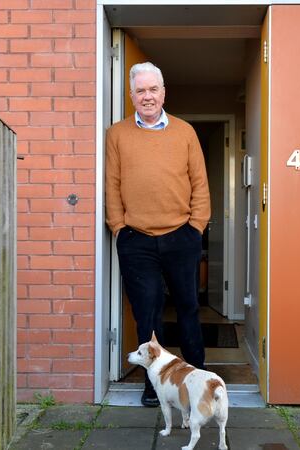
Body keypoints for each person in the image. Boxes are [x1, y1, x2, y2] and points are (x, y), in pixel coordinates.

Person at [105, 61, 211, 407]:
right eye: (140, 91)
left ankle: (197, 383)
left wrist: (196, 226)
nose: (147, 96)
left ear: (163, 93)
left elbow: (199, 183)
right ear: (132, 96)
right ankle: (154, 387)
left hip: (182, 235)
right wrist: (119, 228)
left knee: (188, 310)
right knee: (147, 315)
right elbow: (113, 185)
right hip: (136, 239)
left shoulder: (185, 132)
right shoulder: (117, 134)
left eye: (153, 89)